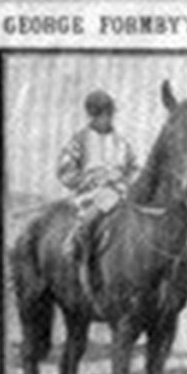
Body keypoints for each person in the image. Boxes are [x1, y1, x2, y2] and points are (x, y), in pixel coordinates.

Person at [57, 89, 137, 262]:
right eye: (101, 115)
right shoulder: (80, 140)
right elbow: (64, 171)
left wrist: (122, 178)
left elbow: (133, 169)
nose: (106, 119)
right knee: (90, 220)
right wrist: (90, 179)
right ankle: (82, 260)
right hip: (91, 196)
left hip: (121, 194)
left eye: (109, 114)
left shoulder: (122, 143)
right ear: (91, 116)